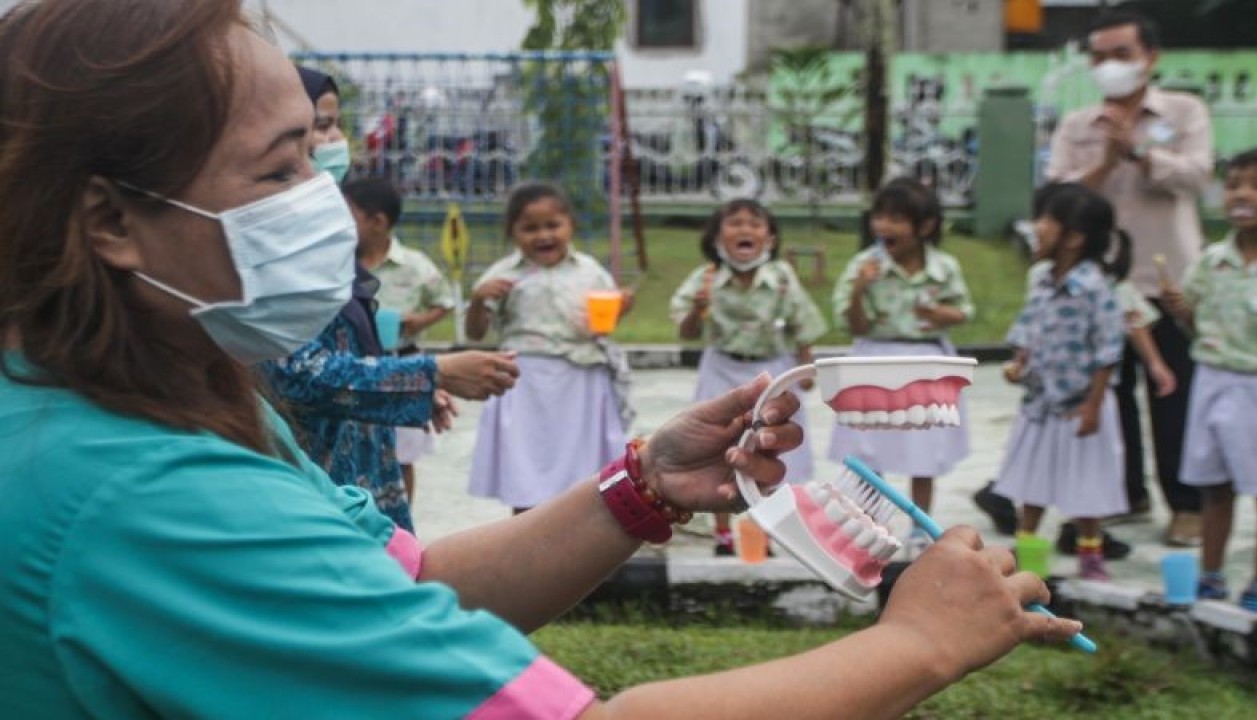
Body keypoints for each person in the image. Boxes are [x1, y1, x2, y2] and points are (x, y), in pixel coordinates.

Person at [0, 2, 1087, 716]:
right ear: (110, 218)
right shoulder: (149, 497)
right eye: (279, 171)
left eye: (320, 156)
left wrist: (638, 491)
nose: (325, 207)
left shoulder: (138, 387)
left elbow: (403, 586)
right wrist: (920, 644)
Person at [263, 66, 514, 532]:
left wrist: (405, 385)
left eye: (337, 123)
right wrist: (429, 373)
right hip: (313, 474)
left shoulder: (324, 234)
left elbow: (348, 351)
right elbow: (296, 374)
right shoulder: (270, 242)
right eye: (321, 126)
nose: (337, 139)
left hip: (361, 465)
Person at [1045, 9, 1213, 546]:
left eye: (1121, 55)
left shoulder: (1184, 112)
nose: (1109, 67)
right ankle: (1125, 493)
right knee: (1109, 396)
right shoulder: (1078, 125)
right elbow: (1056, 198)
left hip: (1169, 282)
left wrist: (1139, 152)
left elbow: (1197, 175)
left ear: (1150, 58)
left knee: (1173, 395)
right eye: (1099, 57)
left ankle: (1185, 504)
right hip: (1100, 287)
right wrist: (1105, 160)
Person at [669, 198, 828, 557]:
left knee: (771, 447)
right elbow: (688, 331)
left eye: (755, 224)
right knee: (721, 447)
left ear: (769, 238)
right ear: (716, 237)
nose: (744, 230)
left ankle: (765, 532)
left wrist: (806, 369)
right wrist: (697, 308)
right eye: (734, 223)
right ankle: (723, 533)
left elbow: (802, 321)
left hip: (771, 371)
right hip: (722, 368)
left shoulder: (782, 276)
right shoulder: (705, 278)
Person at [465, 182, 634, 514]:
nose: (543, 235)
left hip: (580, 380)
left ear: (570, 225)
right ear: (513, 233)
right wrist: (477, 299)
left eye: (552, 225)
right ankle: (528, 538)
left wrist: (621, 306)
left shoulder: (589, 271)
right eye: (530, 228)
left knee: (583, 470)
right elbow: (475, 333)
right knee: (526, 466)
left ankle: (581, 546)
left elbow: (603, 322)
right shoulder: (503, 276)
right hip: (525, 384)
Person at [1161, 148, 1257, 615]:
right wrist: (1181, 312)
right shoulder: (1210, 262)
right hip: (1212, 382)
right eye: (1233, 185)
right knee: (1213, 486)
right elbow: (1199, 324)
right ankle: (1210, 575)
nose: (1242, 195)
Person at [829, 178, 973, 558]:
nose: (883, 227)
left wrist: (942, 313)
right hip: (874, 359)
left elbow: (963, 311)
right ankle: (868, 527)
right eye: (879, 217)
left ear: (925, 226)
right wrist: (860, 289)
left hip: (926, 361)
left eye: (896, 219)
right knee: (870, 448)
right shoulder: (864, 265)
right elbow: (853, 325)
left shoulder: (944, 266)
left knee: (921, 448)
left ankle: (921, 529)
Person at [994, 184, 1129, 581]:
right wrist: (1020, 360)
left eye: (1045, 220)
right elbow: (1029, 327)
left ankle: (1091, 555)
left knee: (1085, 485)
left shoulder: (1095, 288)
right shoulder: (1040, 278)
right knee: (1031, 480)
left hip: (1080, 403)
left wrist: (1093, 406)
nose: (1036, 227)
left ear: (1073, 237)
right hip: (1041, 401)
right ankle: (1027, 553)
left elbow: (1108, 351)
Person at [345, 176, 456, 502]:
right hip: (358, 364)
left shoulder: (414, 264)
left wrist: (419, 321)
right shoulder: (341, 263)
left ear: (378, 221)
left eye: (346, 214)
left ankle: (401, 517)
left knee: (402, 453)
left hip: (401, 358)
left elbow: (444, 302)